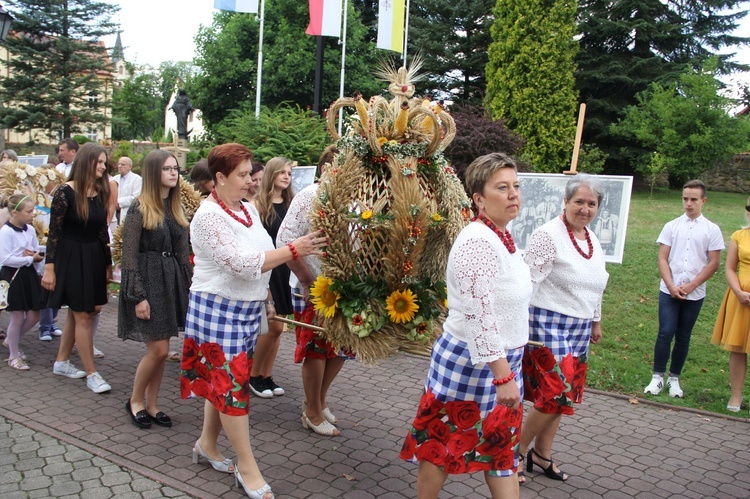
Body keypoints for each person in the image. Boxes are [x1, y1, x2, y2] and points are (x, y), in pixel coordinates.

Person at [180, 143, 325, 499]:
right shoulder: (209, 216)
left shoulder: (245, 209)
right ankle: (248, 468)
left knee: (225, 383)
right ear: (219, 178)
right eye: (243, 175)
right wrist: (295, 250)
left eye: (250, 174)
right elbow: (243, 263)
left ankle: (206, 445)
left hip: (246, 309)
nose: (250, 181)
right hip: (216, 310)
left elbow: (260, 259)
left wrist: (268, 299)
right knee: (232, 388)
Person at [399, 152, 531, 499]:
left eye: (515, 186)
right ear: (478, 199)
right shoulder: (476, 241)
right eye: (502, 187)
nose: (513, 194)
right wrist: (503, 375)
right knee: (441, 444)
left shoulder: (502, 236)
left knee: (502, 449)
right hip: (470, 362)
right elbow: (478, 315)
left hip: (503, 360)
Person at [517, 174, 609, 482]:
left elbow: (597, 285)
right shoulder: (548, 234)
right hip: (548, 322)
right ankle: (514, 454)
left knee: (564, 397)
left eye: (591, 203)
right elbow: (529, 280)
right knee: (555, 392)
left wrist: (595, 320)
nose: (585, 209)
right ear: (566, 202)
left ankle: (542, 455)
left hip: (580, 327)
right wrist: (515, 322)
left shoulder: (592, 239)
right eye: (579, 202)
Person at [277, 145, 352, 437]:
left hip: (343, 287)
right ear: (325, 169)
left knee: (343, 348)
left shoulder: (350, 198)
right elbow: (285, 239)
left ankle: (319, 401)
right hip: (313, 288)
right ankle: (311, 411)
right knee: (317, 350)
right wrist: (307, 280)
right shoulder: (309, 196)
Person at [119, 150, 192, 429]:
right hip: (148, 282)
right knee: (159, 350)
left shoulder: (175, 207)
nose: (173, 173)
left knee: (163, 349)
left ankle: (152, 404)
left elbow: (183, 255)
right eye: (166, 169)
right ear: (153, 173)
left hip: (170, 280)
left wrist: (190, 287)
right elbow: (129, 256)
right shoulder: (139, 208)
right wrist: (137, 295)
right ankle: (135, 401)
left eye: (175, 168)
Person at [42, 143, 113, 394]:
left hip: (92, 255)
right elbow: (54, 234)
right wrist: (49, 268)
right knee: (82, 314)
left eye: (105, 163)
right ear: (86, 163)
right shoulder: (64, 192)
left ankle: (61, 362)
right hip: (70, 256)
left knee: (79, 312)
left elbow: (102, 231)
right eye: (99, 162)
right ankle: (92, 374)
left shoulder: (99, 192)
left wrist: (107, 263)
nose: (104, 167)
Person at [644, 180, 724, 398]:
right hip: (669, 290)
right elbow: (662, 257)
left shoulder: (712, 229)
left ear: (703, 201)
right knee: (665, 331)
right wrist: (670, 285)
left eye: (693, 200)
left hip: (694, 293)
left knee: (683, 336)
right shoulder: (671, 226)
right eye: (685, 199)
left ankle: (674, 379)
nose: (688, 204)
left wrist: (692, 285)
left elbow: (714, 263)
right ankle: (657, 377)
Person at [248, 157, 294, 398]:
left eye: (289, 173)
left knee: (279, 327)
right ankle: (254, 375)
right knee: (272, 325)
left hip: (286, 269)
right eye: (281, 172)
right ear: (271, 175)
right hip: (268, 269)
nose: (286, 176)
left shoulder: (291, 204)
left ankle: (266, 374)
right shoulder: (257, 206)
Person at [711, 197, 750, 412]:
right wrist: (738, 292)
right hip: (741, 298)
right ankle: (736, 396)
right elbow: (729, 269)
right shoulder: (739, 236)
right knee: (738, 348)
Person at [0, 194, 45, 370]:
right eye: (29, 211)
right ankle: (13, 355)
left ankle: (11, 340)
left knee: (35, 314)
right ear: (14, 212)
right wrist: (28, 259)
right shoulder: (6, 231)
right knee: (17, 316)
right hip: (13, 275)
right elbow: (6, 259)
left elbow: (34, 250)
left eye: (33, 210)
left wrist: (35, 257)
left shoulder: (30, 229)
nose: (32, 214)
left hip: (28, 275)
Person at [115, 156, 143, 224]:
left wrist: (118, 202)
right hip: (114, 212)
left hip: (128, 213)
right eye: (118, 164)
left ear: (130, 166)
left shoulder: (137, 179)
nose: (119, 166)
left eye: (122, 164)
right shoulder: (114, 179)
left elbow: (136, 197)